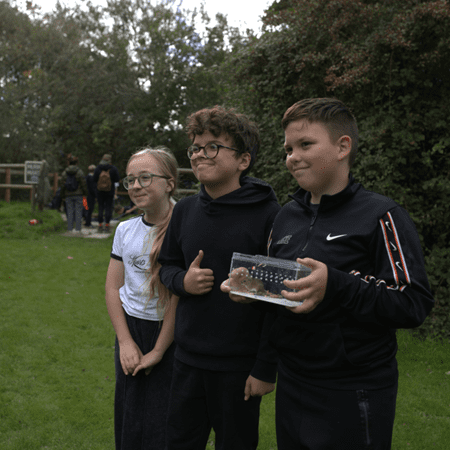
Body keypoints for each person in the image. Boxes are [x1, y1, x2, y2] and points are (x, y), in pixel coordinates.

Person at [221, 98, 434, 449]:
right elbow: (284, 298)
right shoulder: (285, 217)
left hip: (354, 387)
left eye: (305, 144)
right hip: (293, 383)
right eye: (288, 148)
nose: (293, 156)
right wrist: (254, 289)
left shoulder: (382, 215)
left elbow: (412, 303)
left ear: (342, 147)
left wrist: (335, 284)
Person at [158, 106, 281, 450]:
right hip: (186, 358)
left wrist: (264, 367)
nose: (200, 154)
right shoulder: (184, 211)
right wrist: (183, 282)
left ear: (243, 160)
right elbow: (167, 266)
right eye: (196, 147)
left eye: (213, 146)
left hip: (239, 366)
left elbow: (278, 298)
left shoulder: (270, 215)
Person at [105, 147, 179, 450]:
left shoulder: (184, 227)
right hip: (131, 330)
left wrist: (159, 350)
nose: (135, 186)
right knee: (129, 415)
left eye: (145, 178)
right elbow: (113, 288)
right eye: (131, 180)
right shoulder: (125, 230)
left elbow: (177, 297)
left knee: (165, 419)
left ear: (169, 183)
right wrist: (125, 342)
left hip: (171, 334)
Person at [60, 155, 88, 233]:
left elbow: (62, 184)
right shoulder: (79, 172)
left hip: (68, 194)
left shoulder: (65, 172)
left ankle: (70, 228)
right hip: (78, 194)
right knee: (78, 211)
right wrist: (85, 193)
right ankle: (78, 229)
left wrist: (62, 195)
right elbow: (83, 183)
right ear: (76, 163)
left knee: (69, 211)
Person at [94, 153, 120, 233]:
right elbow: (117, 179)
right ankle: (107, 225)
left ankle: (100, 225)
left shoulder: (98, 168)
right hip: (110, 191)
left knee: (100, 207)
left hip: (99, 191)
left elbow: (94, 179)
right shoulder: (113, 168)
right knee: (108, 208)